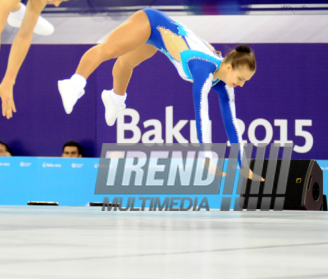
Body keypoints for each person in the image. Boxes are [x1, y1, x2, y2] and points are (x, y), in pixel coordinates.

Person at [57, 10, 259, 178]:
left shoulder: (224, 83)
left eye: (245, 82)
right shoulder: (202, 70)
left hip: (159, 40)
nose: (240, 85)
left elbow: (231, 123)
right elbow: (202, 116)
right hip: (150, 22)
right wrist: (206, 158)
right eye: (241, 79)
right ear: (230, 67)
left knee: (125, 63)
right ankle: (74, 83)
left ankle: (115, 99)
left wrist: (243, 164)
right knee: (109, 50)